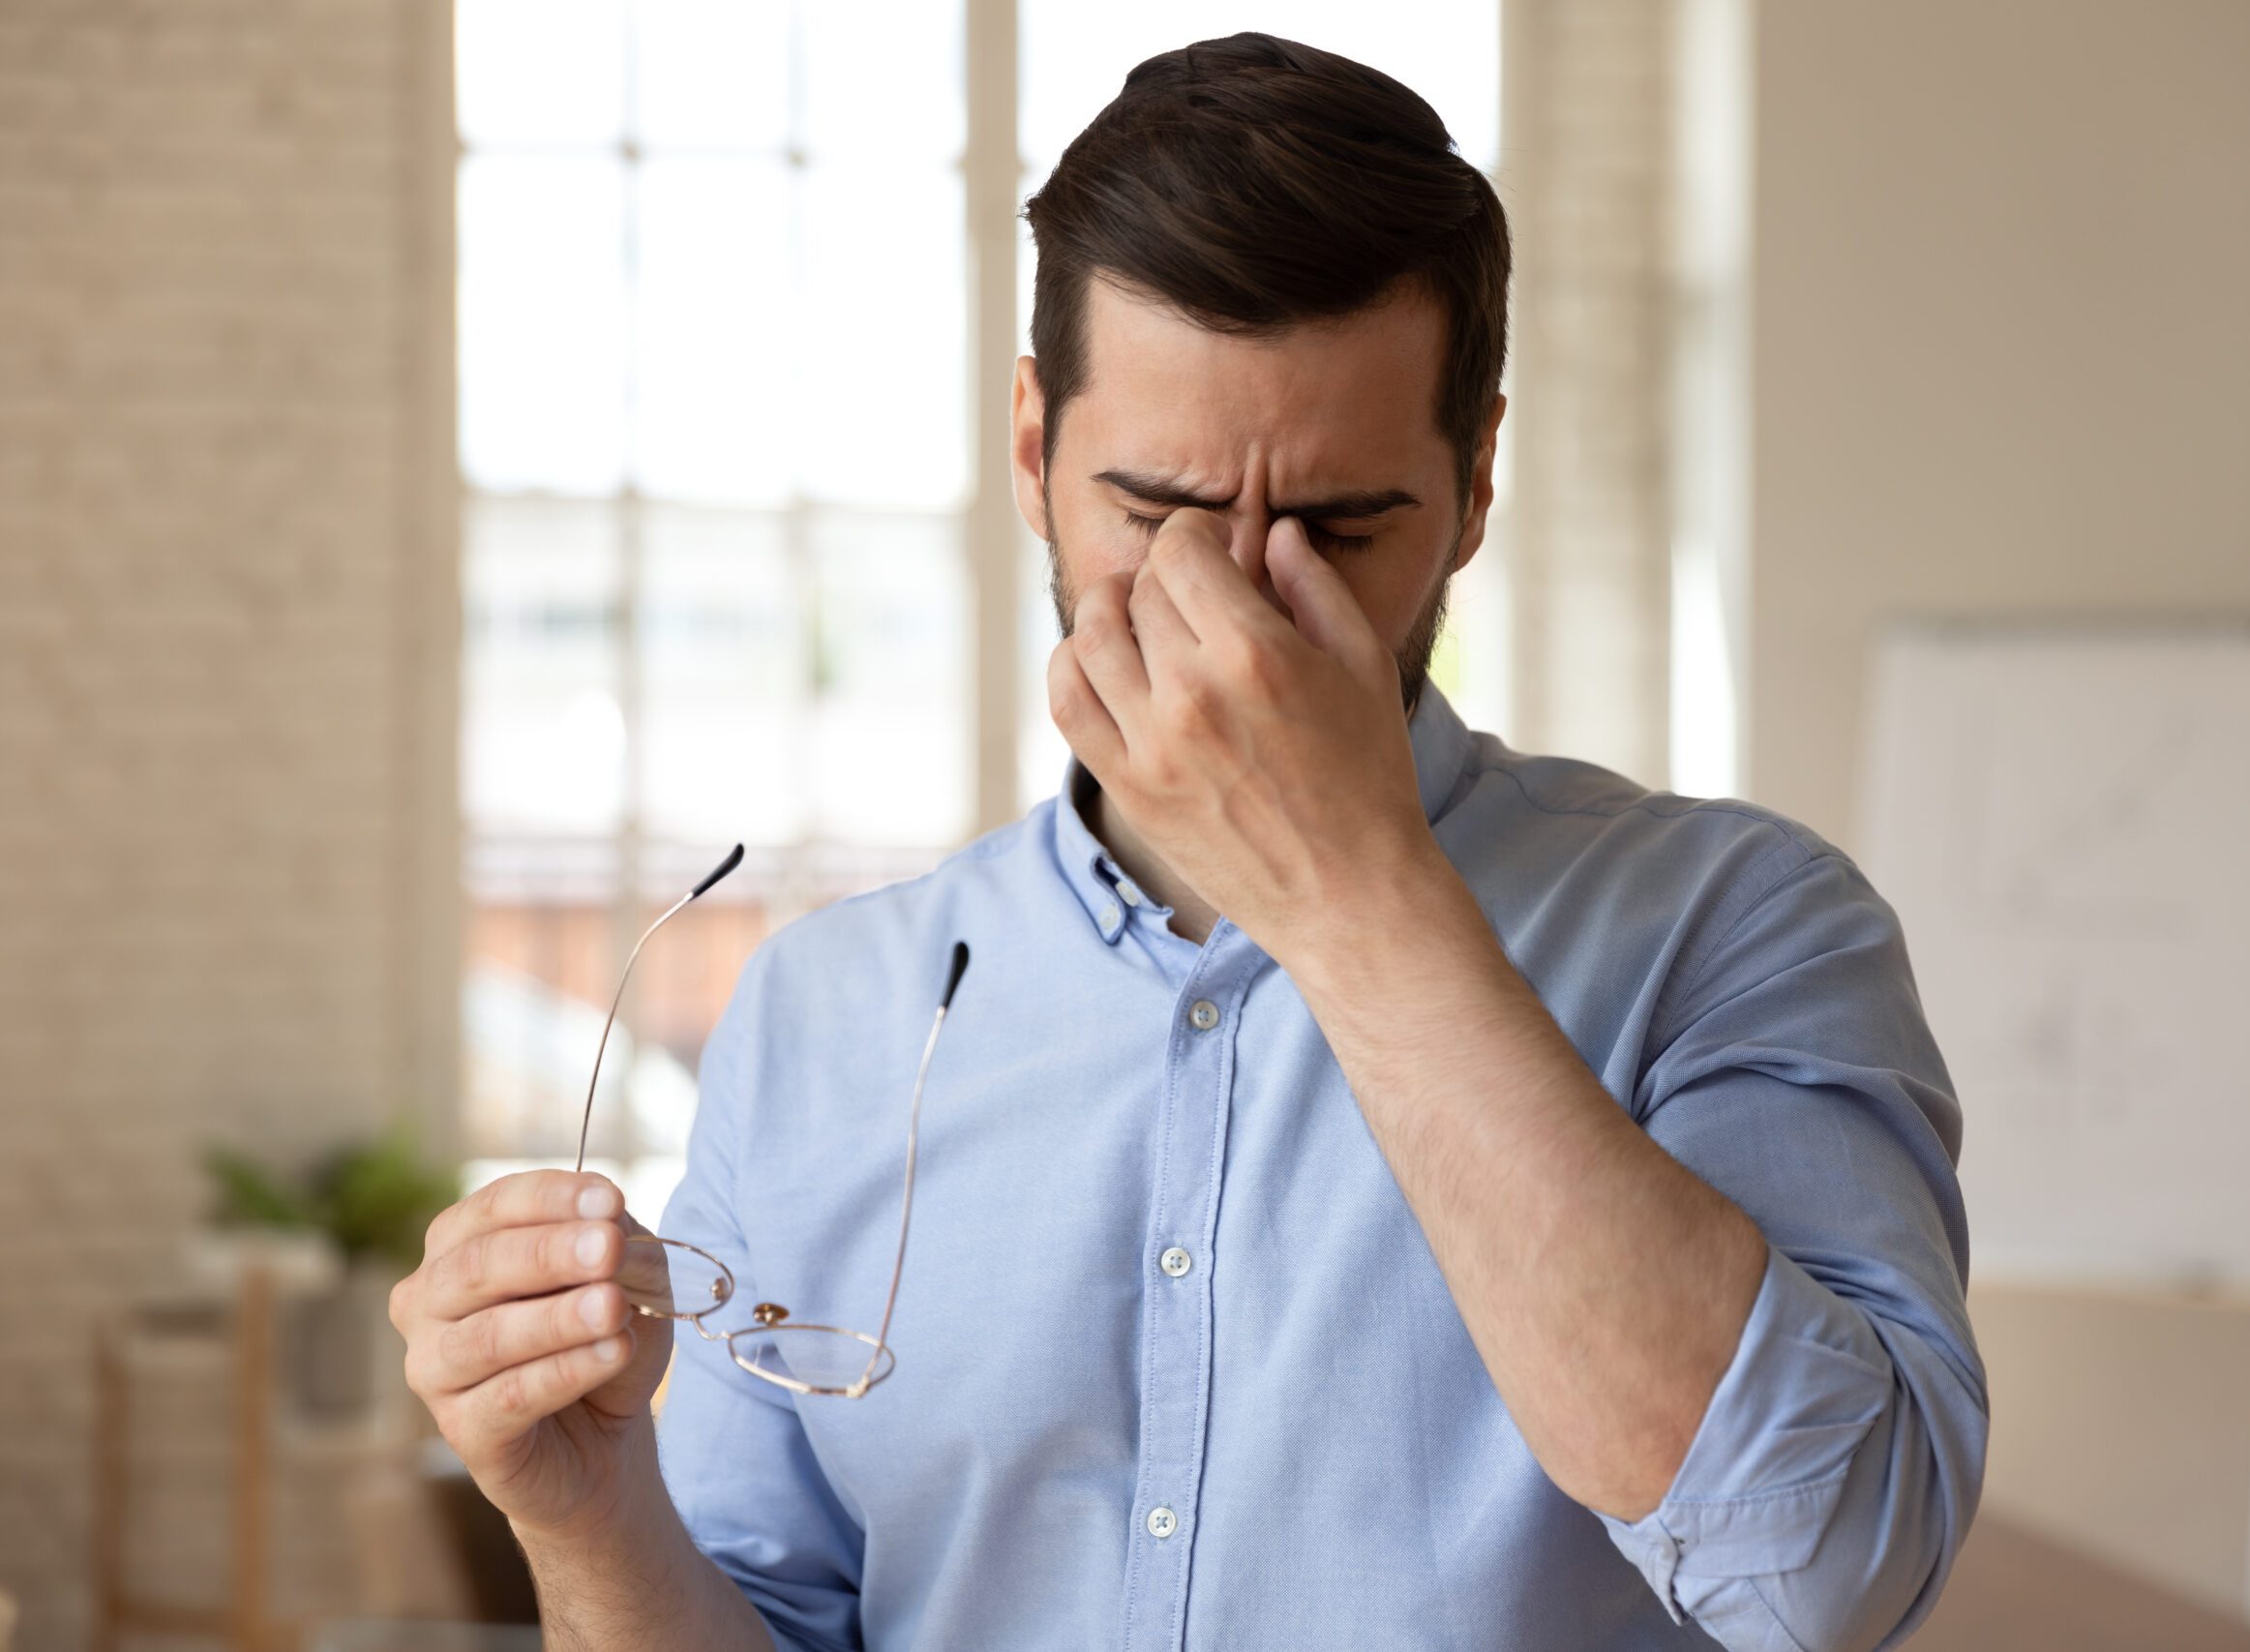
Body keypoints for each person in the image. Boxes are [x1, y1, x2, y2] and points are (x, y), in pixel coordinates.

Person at [391, 34, 1985, 1652]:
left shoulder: (1739, 928)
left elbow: (1821, 1576)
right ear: (1032, 456)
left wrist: (1353, 889)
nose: (1229, 608)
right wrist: (589, 1520)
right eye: (1153, 512)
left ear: (1479, 480)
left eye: (1343, 530)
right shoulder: (821, 1018)